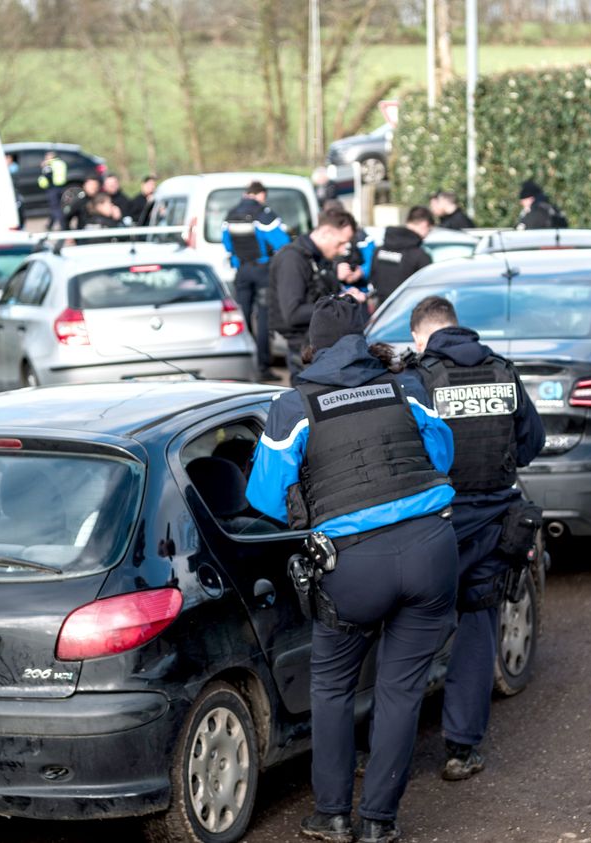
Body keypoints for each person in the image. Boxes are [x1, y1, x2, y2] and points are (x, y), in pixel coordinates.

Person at [245, 296, 458, 843]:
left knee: (334, 688)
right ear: (364, 340)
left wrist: (315, 503)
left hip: (352, 565)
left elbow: (265, 497)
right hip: (431, 550)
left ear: (310, 345)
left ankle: (334, 814)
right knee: (400, 691)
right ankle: (379, 823)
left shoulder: (293, 407)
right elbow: (440, 457)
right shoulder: (405, 386)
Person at [406, 295, 544, 781]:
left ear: (421, 337)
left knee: (410, 631)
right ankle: (462, 750)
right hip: (493, 523)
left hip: (436, 524)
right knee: (477, 627)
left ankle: (385, 746)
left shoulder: (420, 379)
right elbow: (531, 443)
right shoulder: (503, 371)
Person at [270, 207, 366, 375]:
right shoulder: (293, 259)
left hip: (321, 348)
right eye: (341, 243)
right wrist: (338, 301)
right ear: (325, 233)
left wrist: (344, 296)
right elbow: (293, 314)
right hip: (304, 352)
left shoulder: (318, 258)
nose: (343, 250)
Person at [222, 181, 290, 380]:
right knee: (263, 319)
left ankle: (246, 365)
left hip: (241, 270)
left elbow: (227, 244)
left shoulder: (231, 214)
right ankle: (263, 367)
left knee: (242, 318)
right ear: (261, 195)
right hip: (262, 271)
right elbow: (282, 242)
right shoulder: (264, 214)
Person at [369, 205, 435, 305]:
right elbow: (428, 289)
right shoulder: (420, 256)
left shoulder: (379, 250)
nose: (427, 235)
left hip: (382, 311)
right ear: (424, 224)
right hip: (407, 311)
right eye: (429, 230)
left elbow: (373, 279)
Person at [38, 151, 68, 230]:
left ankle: (64, 226)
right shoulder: (61, 163)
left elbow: (47, 175)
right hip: (61, 187)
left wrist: (43, 166)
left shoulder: (49, 164)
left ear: (50, 157)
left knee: (55, 208)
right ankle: (50, 225)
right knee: (57, 207)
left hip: (52, 188)